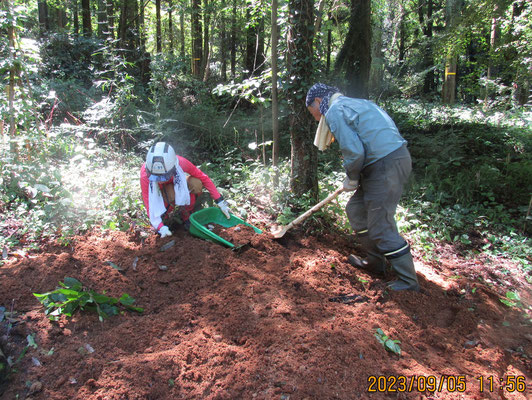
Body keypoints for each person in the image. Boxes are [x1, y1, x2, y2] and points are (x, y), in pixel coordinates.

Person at [306, 83, 419, 291]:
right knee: (356, 210)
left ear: (319, 102)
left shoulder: (334, 111)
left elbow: (354, 151)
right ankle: (376, 263)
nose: (315, 118)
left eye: (312, 112)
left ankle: (408, 282)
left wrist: (351, 177)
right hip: (390, 161)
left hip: (384, 165)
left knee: (380, 225)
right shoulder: (357, 103)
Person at [140, 142, 231, 238]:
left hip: (178, 185)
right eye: (157, 177)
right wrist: (160, 226)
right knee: (170, 193)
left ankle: (187, 215)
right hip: (162, 194)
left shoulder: (180, 162)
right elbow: (149, 204)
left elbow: (204, 178)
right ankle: (166, 218)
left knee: (196, 183)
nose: (161, 180)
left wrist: (220, 201)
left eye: (165, 176)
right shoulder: (145, 175)